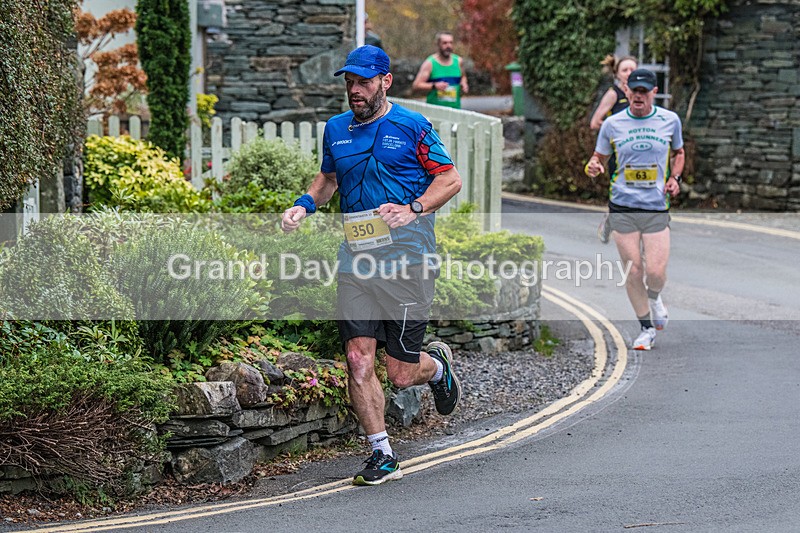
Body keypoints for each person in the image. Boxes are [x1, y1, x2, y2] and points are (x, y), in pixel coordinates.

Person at [281, 45, 463, 486]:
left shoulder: (413, 125)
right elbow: (328, 179)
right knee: (358, 358)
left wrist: (414, 208)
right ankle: (382, 453)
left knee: (401, 375)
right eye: (349, 82)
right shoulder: (337, 129)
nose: (355, 90)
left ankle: (435, 367)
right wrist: (304, 206)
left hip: (408, 261)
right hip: (355, 263)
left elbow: (450, 178)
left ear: (385, 82)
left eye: (363, 82)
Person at [584, 68, 684, 351]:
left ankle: (655, 298)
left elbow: (679, 153)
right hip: (622, 206)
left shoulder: (669, 121)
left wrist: (675, 179)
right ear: (626, 92)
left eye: (644, 91)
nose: (638, 96)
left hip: (655, 207)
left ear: (653, 92)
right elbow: (597, 159)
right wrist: (593, 167)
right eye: (633, 91)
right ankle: (646, 328)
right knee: (633, 270)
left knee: (655, 272)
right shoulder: (612, 125)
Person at [590, 55, 638, 244]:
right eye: (625, 70)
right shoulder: (613, 94)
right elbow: (595, 122)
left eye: (632, 69)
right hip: (618, 154)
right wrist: (616, 131)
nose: (629, 73)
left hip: (640, 152)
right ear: (617, 74)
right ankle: (611, 219)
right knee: (622, 190)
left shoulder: (642, 95)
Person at [412, 31, 469, 109]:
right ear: (438, 45)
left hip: (455, 111)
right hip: (435, 112)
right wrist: (434, 86)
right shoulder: (430, 63)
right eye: (445, 43)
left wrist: (464, 84)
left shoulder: (458, 61)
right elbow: (416, 85)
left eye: (450, 43)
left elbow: (463, 77)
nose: (448, 46)